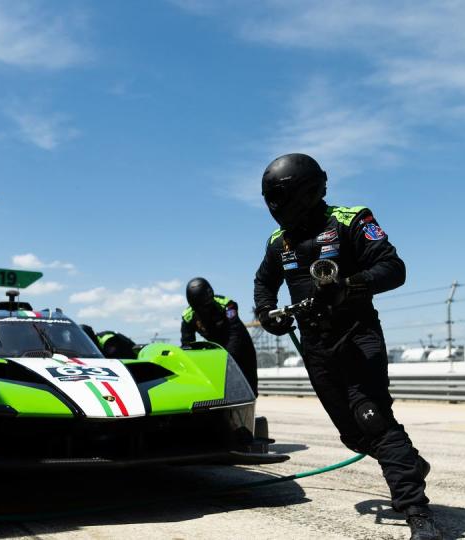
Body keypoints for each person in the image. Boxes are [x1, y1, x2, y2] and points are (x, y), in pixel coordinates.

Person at [253, 153, 442, 540]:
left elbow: (393, 268)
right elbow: (263, 284)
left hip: (357, 337)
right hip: (315, 346)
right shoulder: (278, 241)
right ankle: (409, 463)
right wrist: (269, 312)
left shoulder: (352, 219)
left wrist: (349, 287)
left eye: (279, 197)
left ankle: (417, 514)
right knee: (353, 435)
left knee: (372, 417)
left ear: (306, 192)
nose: (274, 206)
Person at [181, 277, 258, 394]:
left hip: (241, 345)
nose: (204, 311)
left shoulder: (227, 305)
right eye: (200, 308)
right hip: (217, 349)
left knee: (249, 386)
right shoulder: (188, 317)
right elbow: (187, 344)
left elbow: (235, 331)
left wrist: (228, 357)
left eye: (206, 307)